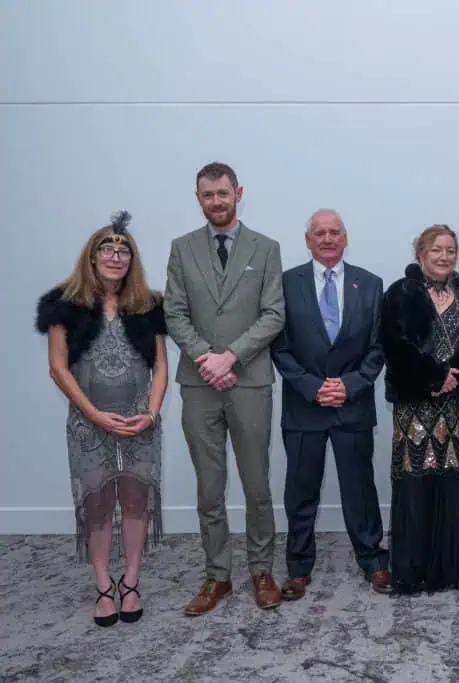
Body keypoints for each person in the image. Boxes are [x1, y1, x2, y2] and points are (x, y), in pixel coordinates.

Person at [164, 162, 285, 615]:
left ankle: (261, 571)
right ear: (198, 198)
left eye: (223, 193)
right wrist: (207, 360)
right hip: (199, 384)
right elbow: (174, 313)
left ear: (239, 193)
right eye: (207, 195)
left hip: (250, 380)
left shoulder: (266, 248)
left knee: (257, 484)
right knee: (209, 488)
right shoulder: (182, 249)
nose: (216, 201)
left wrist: (230, 356)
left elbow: (273, 314)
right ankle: (218, 576)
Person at [35, 211, 167, 627]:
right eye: (106, 248)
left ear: (132, 259)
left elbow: (161, 366)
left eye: (123, 249)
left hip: (139, 423)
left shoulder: (148, 305)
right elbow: (58, 367)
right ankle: (102, 586)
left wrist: (151, 412)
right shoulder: (64, 304)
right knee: (97, 504)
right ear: (91, 257)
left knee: (134, 500)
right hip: (88, 423)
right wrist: (93, 414)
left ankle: (130, 582)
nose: (115, 255)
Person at [270, 209, 391, 599]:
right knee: (300, 491)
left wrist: (350, 384)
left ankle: (373, 560)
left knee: (360, 489)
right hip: (304, 407)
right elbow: (279, 346)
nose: (327, 239)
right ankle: (298, 568)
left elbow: (378, 348)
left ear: (345, 237)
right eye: (319, 233)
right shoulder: (285, 284)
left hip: (351, 406)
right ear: (307, 240)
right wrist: (312, 386)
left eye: (334, 232)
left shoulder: (370, 285)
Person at [380, 224, 459, 592]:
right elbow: (394, 345)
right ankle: (416, 569)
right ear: (421, 253)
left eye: (450, 250)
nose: (444, 256)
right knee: (417, 480)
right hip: (415, 404)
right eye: (436, 249)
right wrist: (434, 376)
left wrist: (455, 377)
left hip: (455, 405)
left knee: (454, 480)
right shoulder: (400, 293)